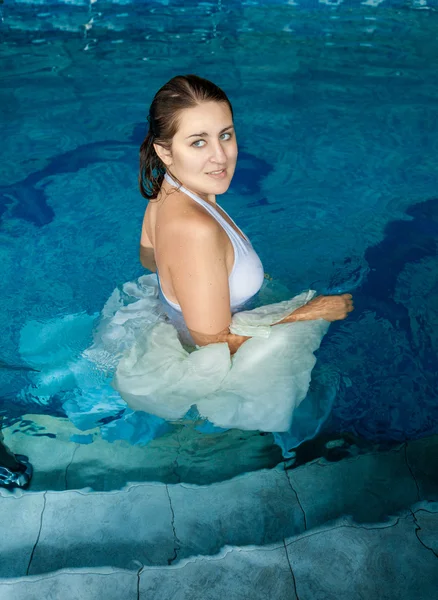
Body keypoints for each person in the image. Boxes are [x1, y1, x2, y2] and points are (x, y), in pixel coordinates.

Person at [138, 74, 353, 352]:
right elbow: (212, 345)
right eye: (198, 142)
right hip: (199, 369)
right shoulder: (196, 229)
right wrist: (311, 312)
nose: (220, 155)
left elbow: (149, 261)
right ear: (165, 152)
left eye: (225, 135)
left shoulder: (163, 192)